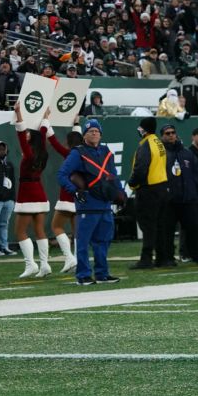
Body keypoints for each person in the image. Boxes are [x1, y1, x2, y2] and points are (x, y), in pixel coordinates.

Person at [57, 119, 125, 285]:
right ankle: (83, 275)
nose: (94, 133)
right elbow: (62, 175)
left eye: (96, 131)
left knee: (103, 241)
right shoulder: (77, 153)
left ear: (100, 134)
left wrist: (120, 193)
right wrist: (74, 191)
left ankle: (102, 273)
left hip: (105, 204)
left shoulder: (106, 151)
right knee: (83, 242)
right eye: (90, 131)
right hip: (87, 204)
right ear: (84, 135)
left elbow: (112, 175)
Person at [11, 105, 56, 278]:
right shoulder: (42, 152)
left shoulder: (29, 154)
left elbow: (21, 134)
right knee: (39, 230)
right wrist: (45, 118)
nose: (27, 134)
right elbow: (42, 133)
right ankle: (45, 265)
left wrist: (19, 113)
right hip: (39, 192)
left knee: (20, 231)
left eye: (30, 133)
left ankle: (31, 265)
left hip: (27, 194)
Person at [128, 116, 172, 268]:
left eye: (140, 127)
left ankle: (146, 259)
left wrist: (132, 183)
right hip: (162, 188)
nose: (139, 130)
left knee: (148, 226)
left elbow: (140, 169)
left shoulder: (146, 144)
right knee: (160, 225)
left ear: (144, 129)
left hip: (149, 189)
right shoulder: (158, 142)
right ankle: (162, 258)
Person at [163, 125, 198, 265]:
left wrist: (194, 192)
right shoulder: (162, 152)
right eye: (168, 133)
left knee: (193, 227)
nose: (171, 135)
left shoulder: (187, 153)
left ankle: (197, 255)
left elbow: (195, 175)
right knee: (168, 230)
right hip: (170, 199)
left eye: (173, 133)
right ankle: (172, 256)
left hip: (189, 197)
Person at [47, 126, 85, 274]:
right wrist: (76, 124)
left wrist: (46, 125)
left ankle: (69, 258)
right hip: (81, 196)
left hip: (68, 194)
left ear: (68, 143)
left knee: (56, 226)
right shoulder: (86, 154)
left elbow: (54, 142)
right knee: (77, 232)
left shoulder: (69, 153)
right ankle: (78, 260)